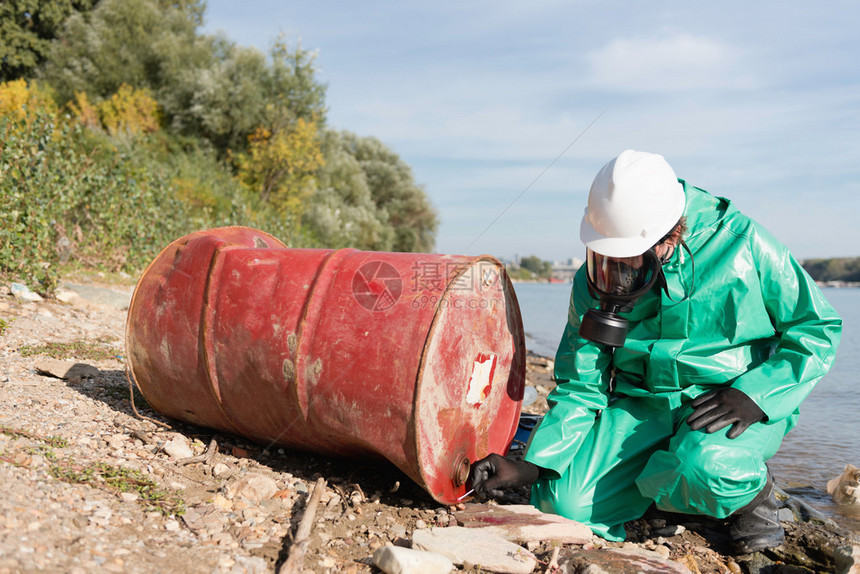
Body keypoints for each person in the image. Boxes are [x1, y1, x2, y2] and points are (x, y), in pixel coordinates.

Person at [469, 149, 842, 554]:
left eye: (627, 256)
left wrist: (757, 394)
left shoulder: (744, 244)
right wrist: (533, 465)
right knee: (563, 504)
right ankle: (673, 496)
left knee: (706, 468)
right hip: (641, 405)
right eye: (608, 254)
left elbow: (817, 327)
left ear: (671, 235)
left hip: (728, 403)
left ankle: (753, 497)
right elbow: (581, 382)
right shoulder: (594, 279)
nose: (615, 267)